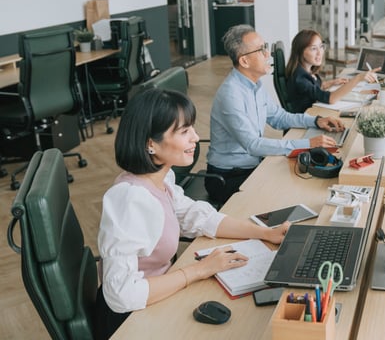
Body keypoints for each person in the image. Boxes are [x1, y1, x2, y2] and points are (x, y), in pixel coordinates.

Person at [94, 88, 291, 339]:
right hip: (130, 320)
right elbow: (121, 295)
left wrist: (265, 232)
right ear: (150, 144)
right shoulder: (130, 200)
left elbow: (196, 217)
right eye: (185, 131)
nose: (196, 137)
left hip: (160, 294)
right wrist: (199, 271)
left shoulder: (161, 178)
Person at [207, 24, 345, 204]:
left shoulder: (254, 85)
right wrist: (307, 144)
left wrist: (316, 121)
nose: (268, 54)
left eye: (266, 47)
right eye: (261, 50)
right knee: (292, 190)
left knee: (305, 176)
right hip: (227, 177)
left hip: (251, 165)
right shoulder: (231, 94)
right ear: (244, 61)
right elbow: (253, 145)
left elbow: (279, 117)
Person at [285, 29, 379, 113]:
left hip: (313, 113)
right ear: (300, 52)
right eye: (314, 48)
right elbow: (331, 99)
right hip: (304, 122)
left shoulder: (304, 71)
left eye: (321, 46)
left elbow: (312, 89)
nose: (320, 52)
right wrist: (358, 78)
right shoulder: (300, 78)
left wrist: (331, 83)